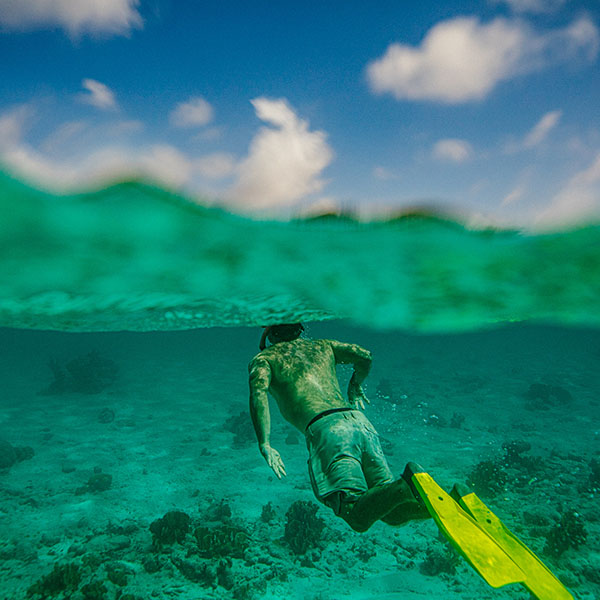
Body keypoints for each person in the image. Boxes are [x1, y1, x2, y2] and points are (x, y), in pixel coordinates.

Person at [248, 323, 428, 532]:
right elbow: (364, 355)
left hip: (329, 432)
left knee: (355, 515)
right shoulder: (324, 346)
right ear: (300, 329)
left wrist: (265, 443)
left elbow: (258, 394)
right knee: (390, 513)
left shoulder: (265, 359)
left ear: (269, 334)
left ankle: (405, 487)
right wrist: (356, 384)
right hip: (360, 423)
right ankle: (446, 501)